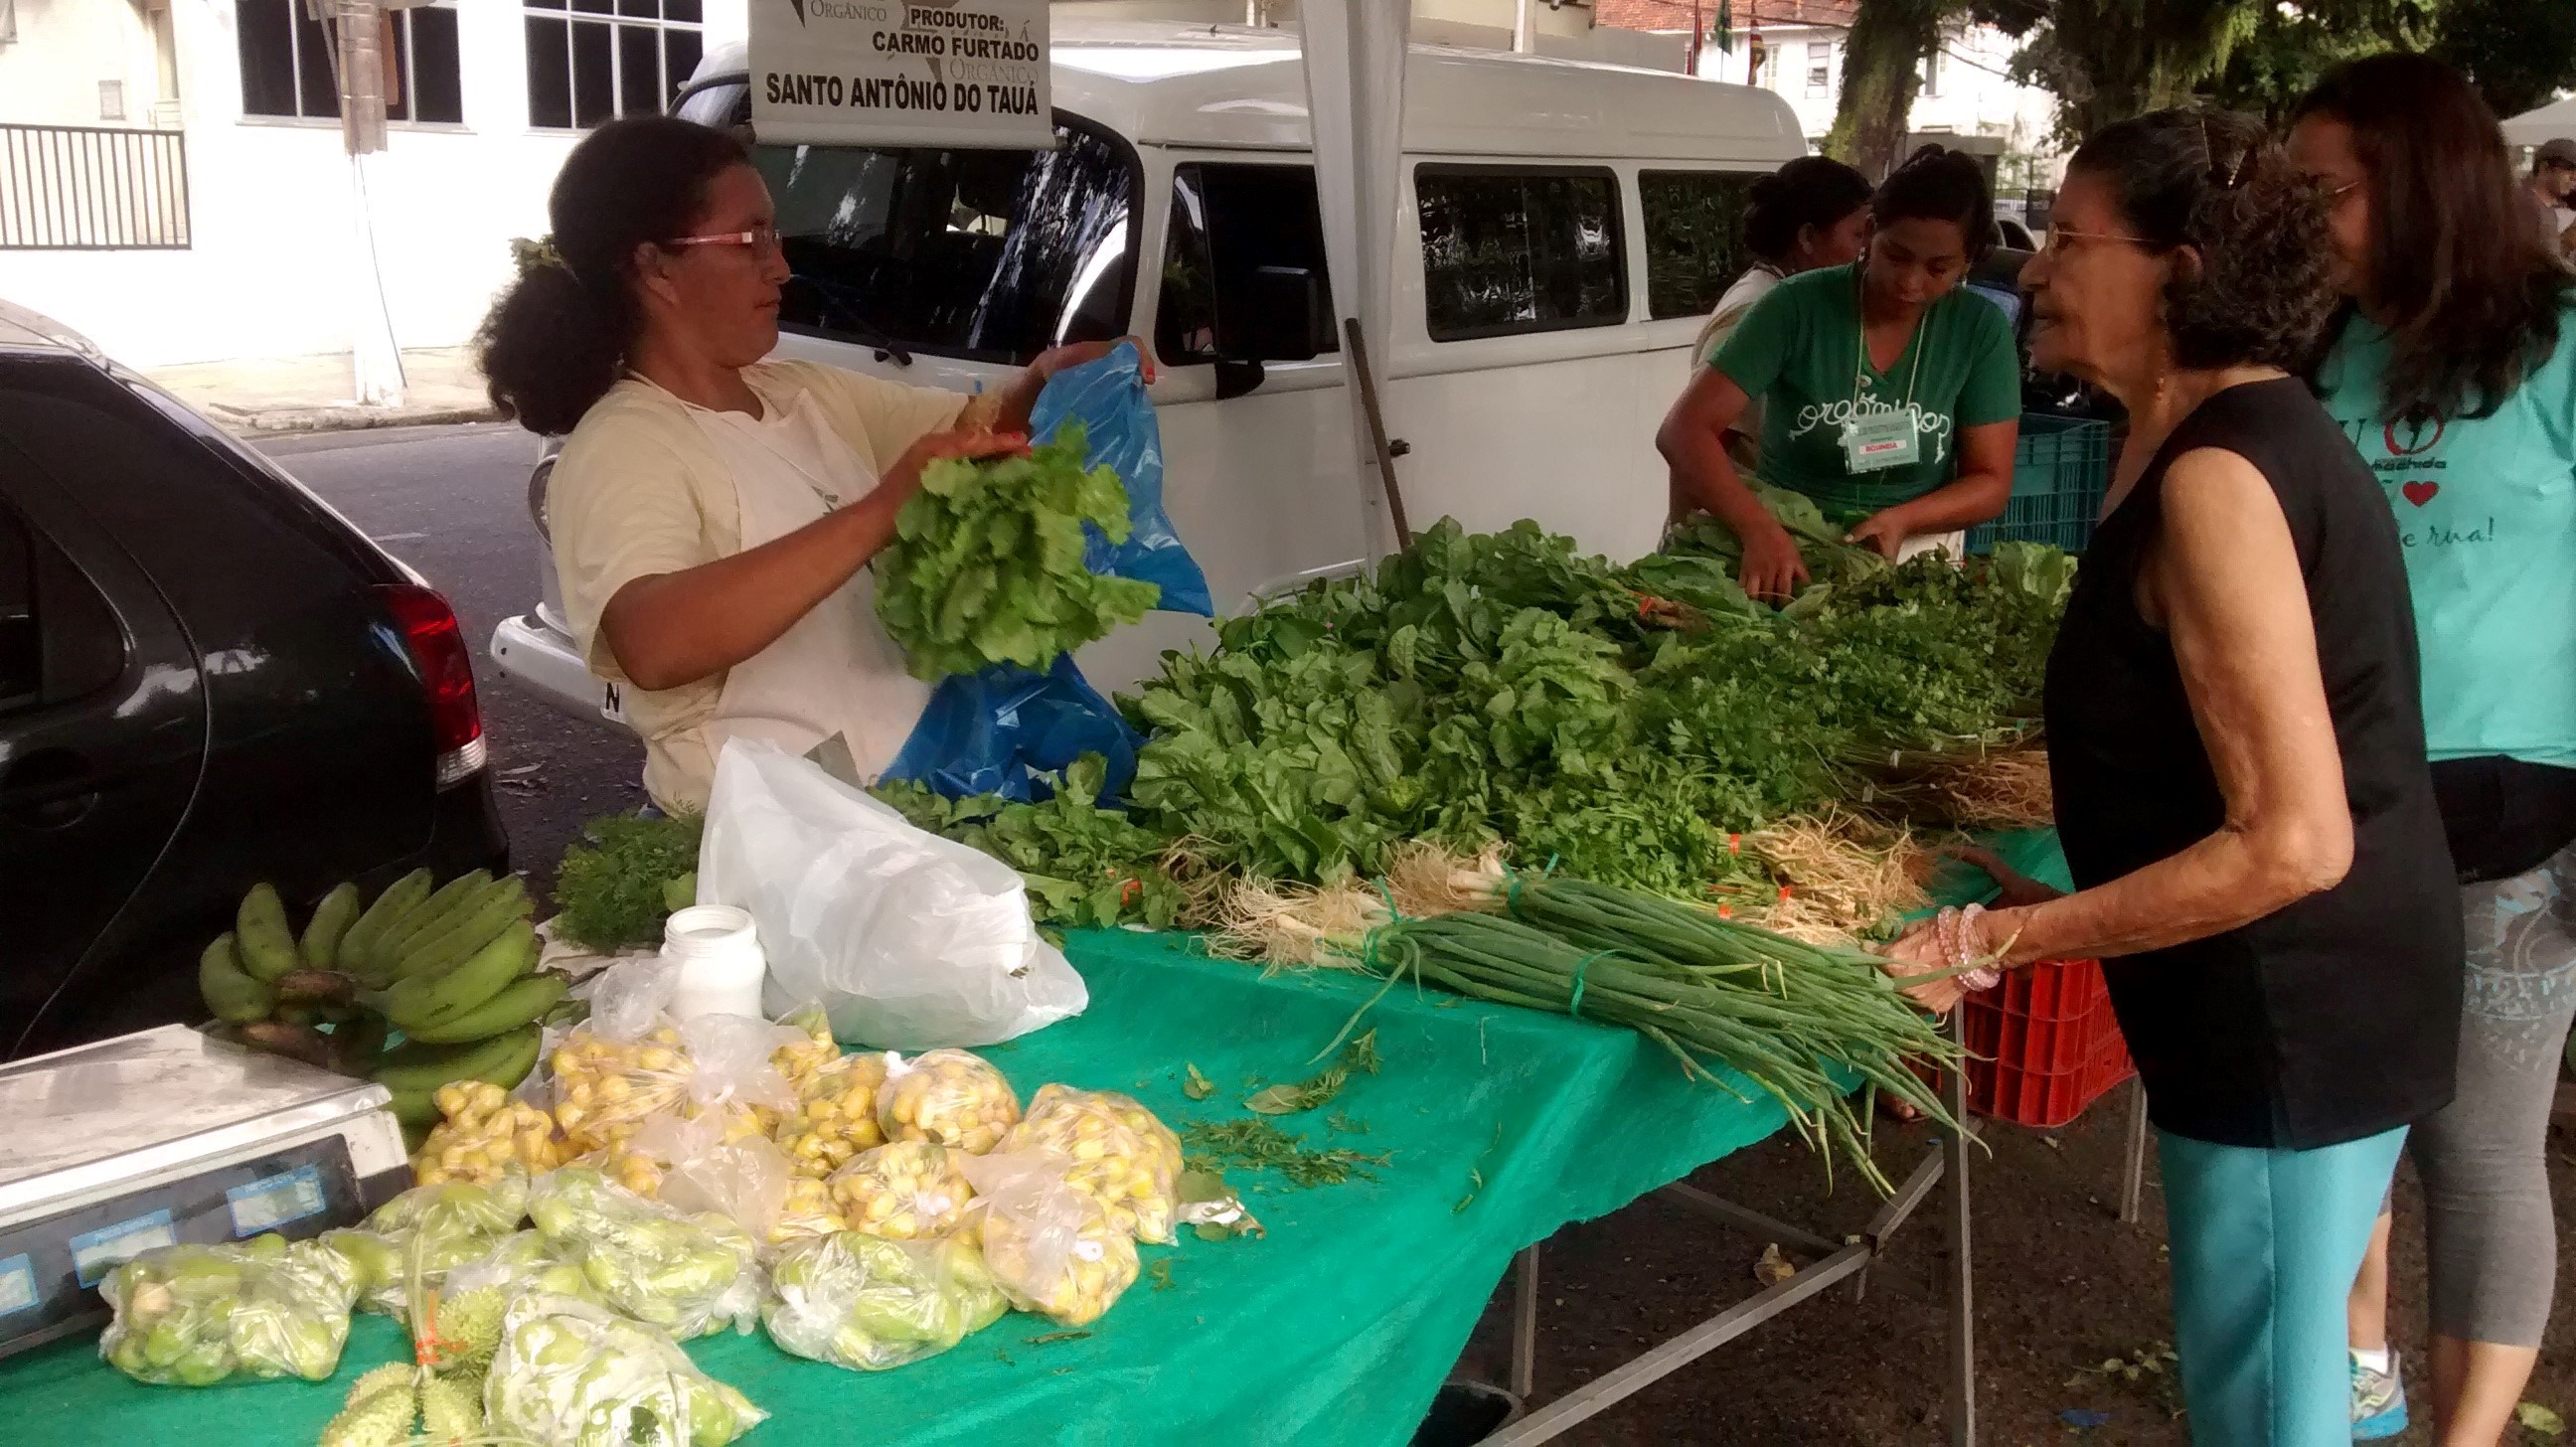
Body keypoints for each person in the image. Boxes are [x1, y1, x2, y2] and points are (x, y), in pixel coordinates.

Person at [1879, 109, 2462, 1447]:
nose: (2035, 271)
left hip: (2285, 1015)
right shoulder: (2215, 435)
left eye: (2074, 240)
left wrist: (1990, 939)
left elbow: (2292, 842)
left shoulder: (2221, 478)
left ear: (2183, 270)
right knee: (2296, 1372)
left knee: (2262, 1405)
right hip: (2323, 995)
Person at [478, 116, 1130, 813]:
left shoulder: (799, 391)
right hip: (772, 844)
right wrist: (882, 510)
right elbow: (655, 641)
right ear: (656, 267)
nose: (780, 265)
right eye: (750, 238)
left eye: (774, 235)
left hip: (902, 813)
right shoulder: (625, 444)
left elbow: (974, 433)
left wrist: (1044, 379)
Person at [2288, 53, 2576, 1447]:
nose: (2311, 218)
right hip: (2327, 808)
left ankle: (2464, 1440)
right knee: (2348, 1137)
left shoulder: (2562, 340)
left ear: (2420, 185)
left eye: (2329, 191)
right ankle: (2361, 1383)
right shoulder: (2314, 353)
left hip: (2514, 819)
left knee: (2479, 1154)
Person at [1657, 146, 2018, 600]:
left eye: (1938, 268)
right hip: (1787, 554)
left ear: (1969, 261)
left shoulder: (1979, 331)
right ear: (1870, 232)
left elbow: (1990, 481)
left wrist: (1902, 520)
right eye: (1897, 256)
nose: (1910, 283)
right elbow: (1683, 432)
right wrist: (1757, 529)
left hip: (1913, 559)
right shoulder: (1794, 305)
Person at [1683, 157, 1873, 484]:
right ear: (1808, 238)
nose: (1867, 250)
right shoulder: (1756, 308)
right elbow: (1699, 440)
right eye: (1858, 235)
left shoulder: (1797, 301)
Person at [2520, 136, 2576, 255]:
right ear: (2544, 168)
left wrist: (2568, 240)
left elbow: (2550, 259)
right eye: (2569, 170)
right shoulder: (2525, 206)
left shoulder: (2546, 209)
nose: (2574, 178)